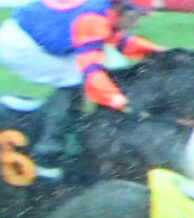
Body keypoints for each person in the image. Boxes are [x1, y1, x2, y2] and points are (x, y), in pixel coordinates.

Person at [1, 0, 159, 172]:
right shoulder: (93, 18)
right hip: (20, 45)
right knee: (76, 77)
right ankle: (47, 152)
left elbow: (122, 42)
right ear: (122, 8)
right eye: (137, 16)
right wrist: (117, 100)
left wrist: (159, 53)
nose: (137, 23)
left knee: (81, 76)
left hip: (29, 34)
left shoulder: (106, 12)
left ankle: (63, 125)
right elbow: (91, 71)